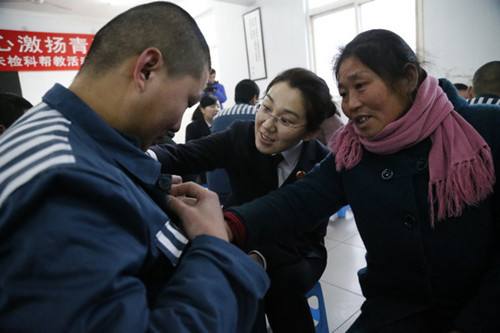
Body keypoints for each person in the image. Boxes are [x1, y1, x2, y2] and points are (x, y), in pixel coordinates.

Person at [174, 29, 500, 332]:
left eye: (360, 86)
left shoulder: (485, 129)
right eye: (343, 93)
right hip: (394, 311)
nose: (350, 103)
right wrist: (228, 225)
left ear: (408, 78)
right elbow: (296, 203)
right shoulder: (353, 152)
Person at [0, 2, 269, 332]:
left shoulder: (70, 142)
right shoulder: (66, 183)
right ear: (146, 69)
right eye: (186, 101)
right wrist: (213, 245)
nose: (176, 125)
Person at [149, 67, 336, 333]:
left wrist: (258, 258)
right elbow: (186, 155)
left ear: (308, 133)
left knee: (280, 284)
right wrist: (144, 156)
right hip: (239, 237)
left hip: (298, 251)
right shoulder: (241, 136)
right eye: (266, 107)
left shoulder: (321, 163)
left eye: (286, 121)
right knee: (237, 283)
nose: (268, 125)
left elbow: (306, 236)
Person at [207, 78, 260, 204]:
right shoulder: (258, 114)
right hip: (245, 193)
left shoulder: (218, 117)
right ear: (254, 98)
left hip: (215, 189)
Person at [185, 94, 220, 184]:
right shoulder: (193, 128)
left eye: (218, 106)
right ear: (202, 109)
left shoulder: (221, 126)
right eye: (212, 106)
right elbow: (191, 153)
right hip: (201, 174)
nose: (216, 109)